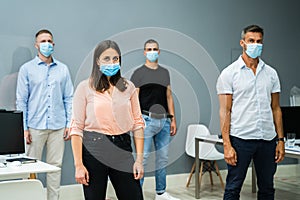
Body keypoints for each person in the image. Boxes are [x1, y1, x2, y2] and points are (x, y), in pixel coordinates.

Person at [216, 24, 285, 200]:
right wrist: (227, 145)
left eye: (259, 41)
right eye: (251, 41)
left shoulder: (271, 74)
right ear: (242, 43)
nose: (256, 44)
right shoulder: (229, 74)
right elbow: (225, 111)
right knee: (233, 189)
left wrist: (280, 140)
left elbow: (276, 108)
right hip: (241, 140)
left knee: (267, 189)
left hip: (267, 140)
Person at [70, 40, 144, 200]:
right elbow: (76, 128)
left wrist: (138, 160)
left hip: (122, 148)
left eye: (115, 59)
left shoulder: (128, 87)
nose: (112, 62)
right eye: (106, 59)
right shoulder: (85, 87)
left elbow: (138, 124)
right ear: (97, 61)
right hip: (94, 149)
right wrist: (78, 165)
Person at [16, 29, 74, 200]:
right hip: (35, 127)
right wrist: (24, 128)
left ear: (53, 44)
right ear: (36, 45)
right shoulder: (26, 69)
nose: (46, 44)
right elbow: (21, 101)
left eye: (49, 41)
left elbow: (69, 97)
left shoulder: (63, 69)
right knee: (29, 168)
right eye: (43, 41)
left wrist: (69, 124)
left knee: (55, 167)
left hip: (57, 127)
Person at [131, 39, 179, 200]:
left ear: (159, 52)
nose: (152, 51)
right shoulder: (139, 73)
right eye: (149, 49)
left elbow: (169, 96)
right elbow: (134, 98)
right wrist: (137, 120)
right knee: (142, 158)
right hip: (146, 120)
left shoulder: (164, 72)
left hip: (164, 121)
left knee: (163, 157)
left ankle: (161, 192)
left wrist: (173, 119)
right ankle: (137, 194)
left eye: (154, 49)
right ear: (144, 52)